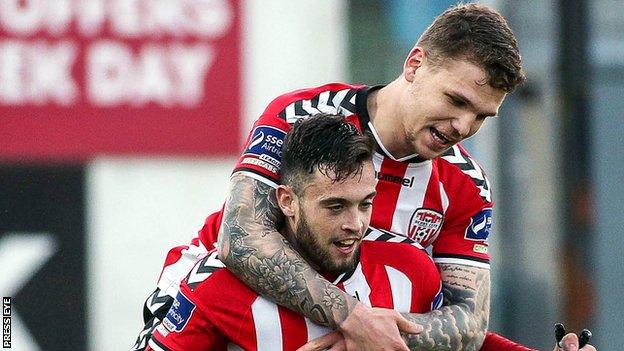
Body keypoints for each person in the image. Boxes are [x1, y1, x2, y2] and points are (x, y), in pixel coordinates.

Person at [133, 3, 595, 351]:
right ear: (414, 65)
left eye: (480, 116)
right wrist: (352, 321)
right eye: (455, 100)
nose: (463, 127)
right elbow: (242, 237)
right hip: (217, 315)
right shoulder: (303, 115)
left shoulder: (465, 185)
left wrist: (371, 336)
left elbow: (466, 323)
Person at [144, 114, 444, 351]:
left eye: (365, 204)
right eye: (335, 207)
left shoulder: (411, 269)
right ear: (287, 201)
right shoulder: (216, 283)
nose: (355, 223)